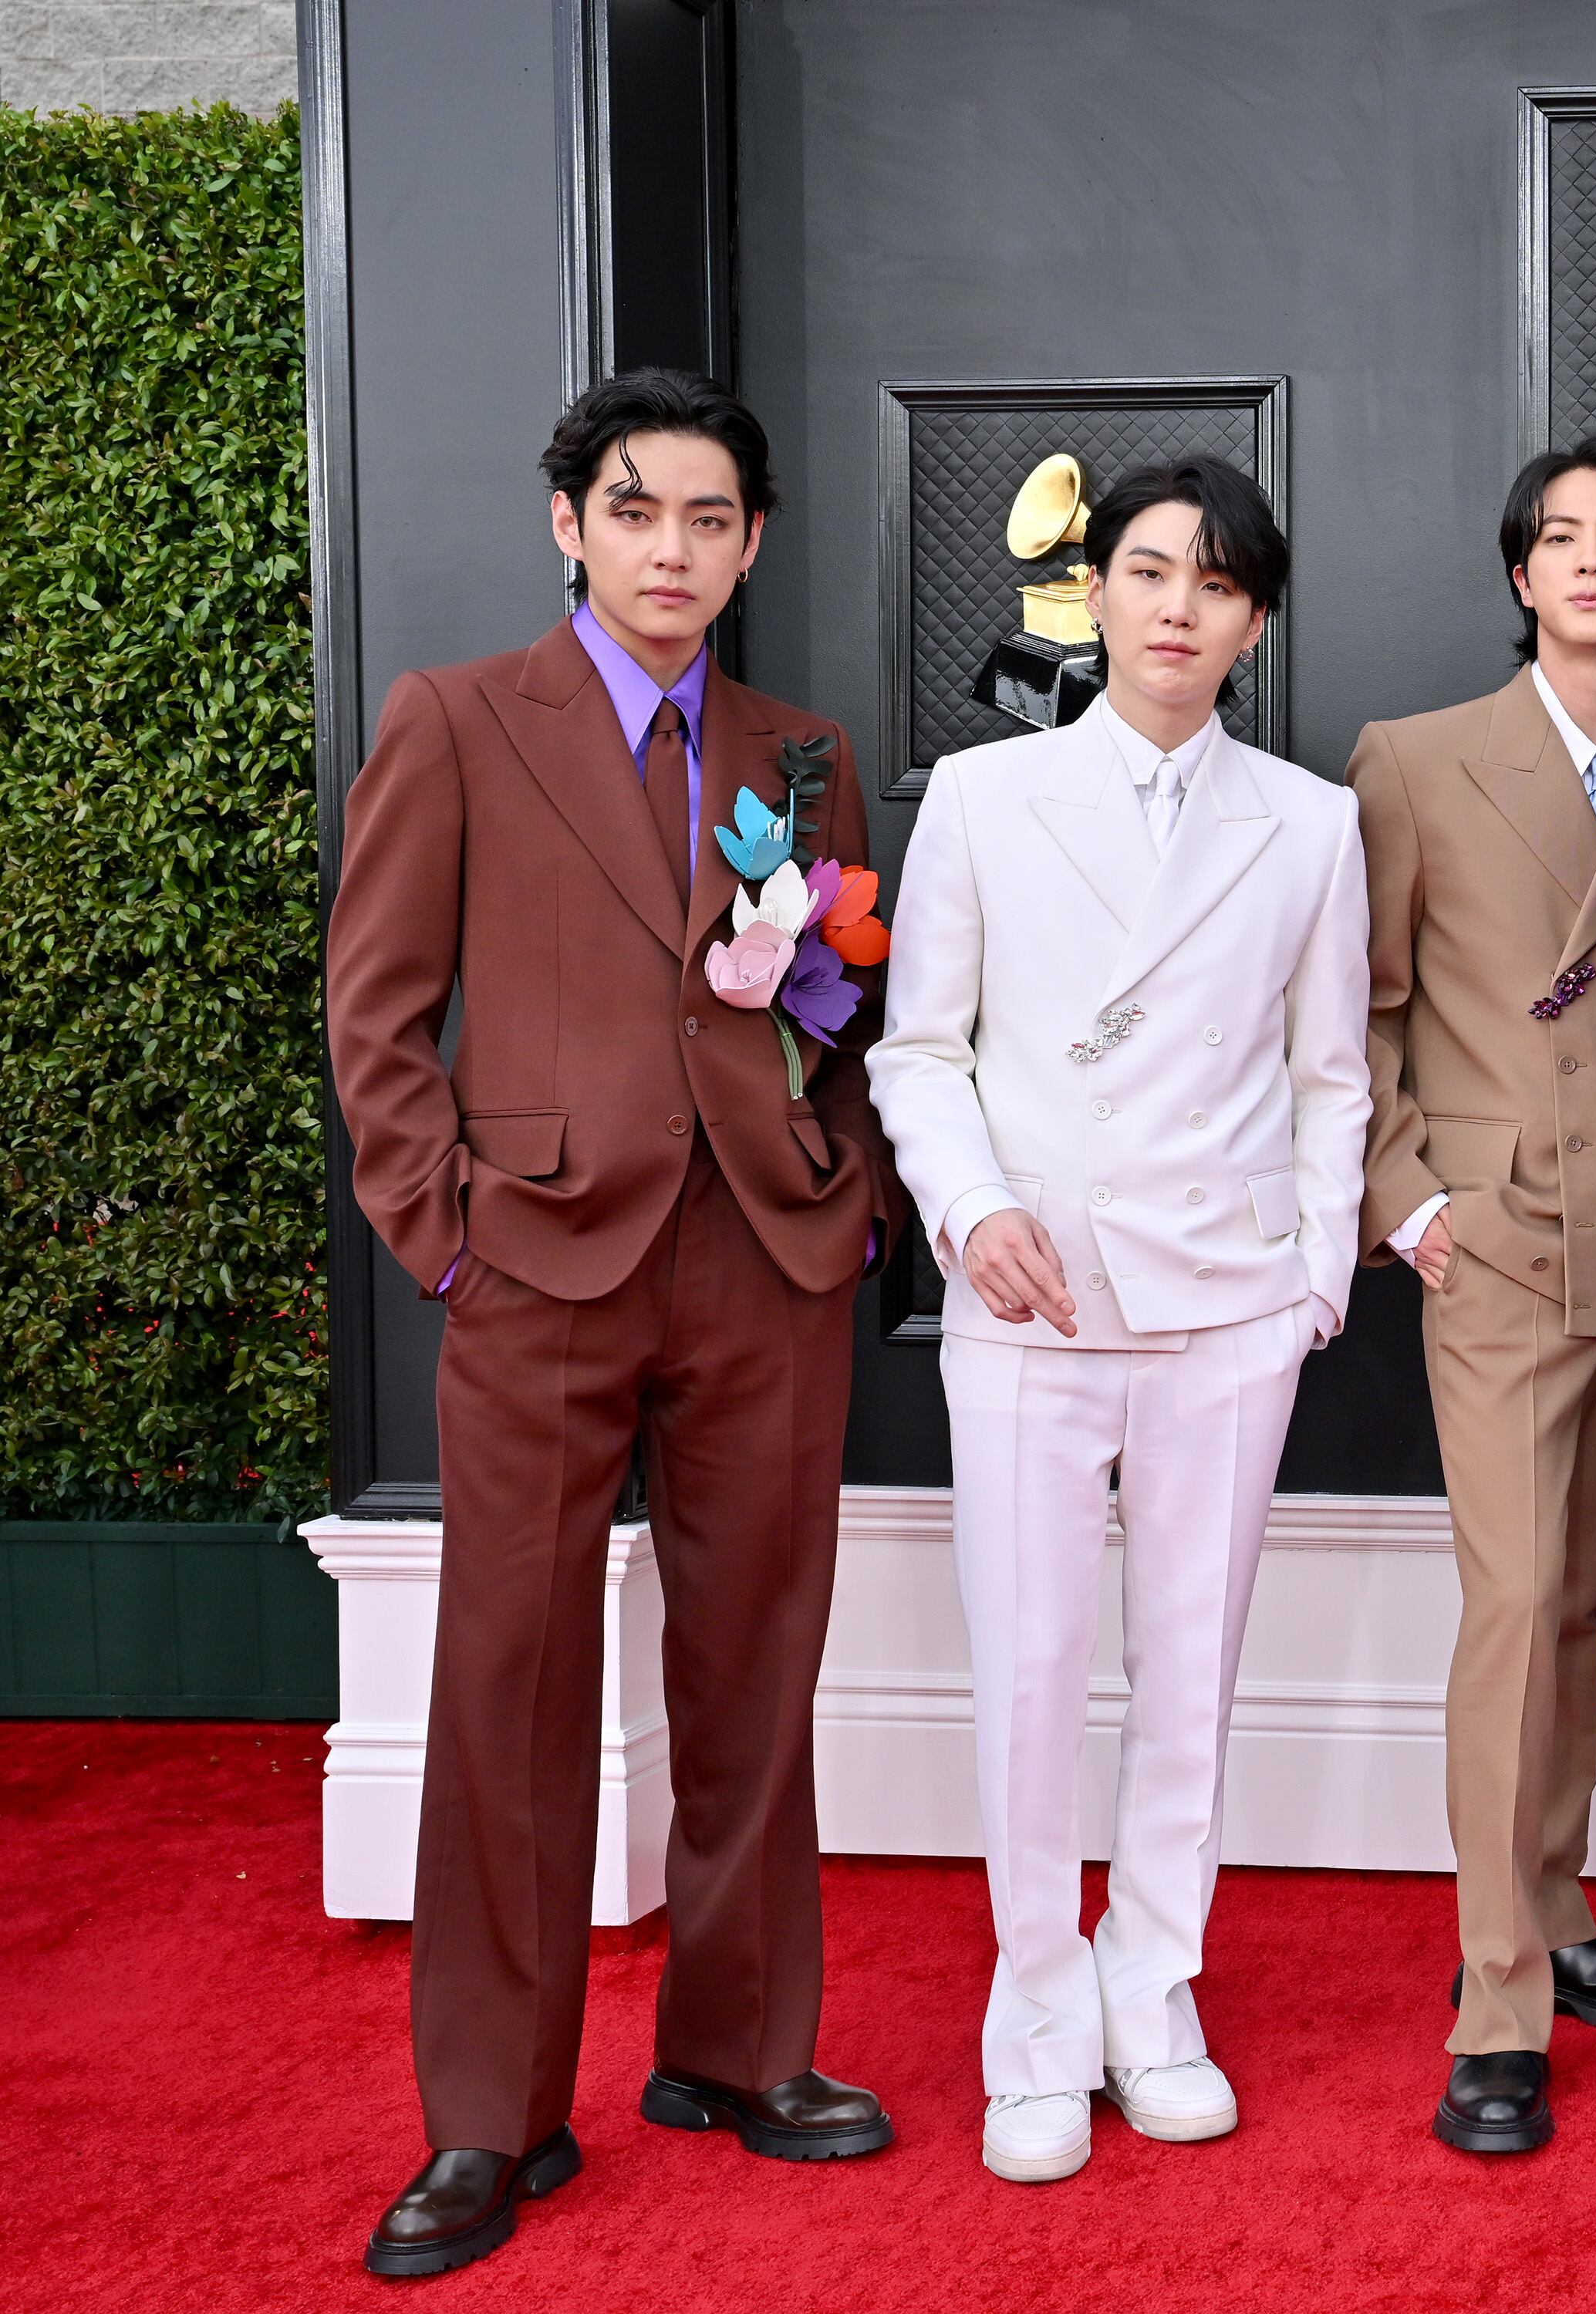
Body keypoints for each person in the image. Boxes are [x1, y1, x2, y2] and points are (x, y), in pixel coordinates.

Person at [326, 368, 905, 2277]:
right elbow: (380, 1013)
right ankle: (491, 2120)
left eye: (714, 519)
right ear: (569, 522)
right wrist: (448, 1241)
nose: (677, 549)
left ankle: (736, 2055)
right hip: (538, 1267)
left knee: (754, 1672)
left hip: (764, 1264)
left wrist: (840, 1186)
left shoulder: (798, 751)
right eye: (640, 511)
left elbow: (835, 1002)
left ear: (748, 545)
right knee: (507, 1689)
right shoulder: (457, 721)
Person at [865, 457, 1367, 2186]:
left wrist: (1311, 1281)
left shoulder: (1309, 822)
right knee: (1026, 1674)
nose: (1175, 607)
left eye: (1214, 583)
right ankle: (1034, 2020)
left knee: (1190, 1681)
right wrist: (974, 1210)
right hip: (1032, 1294)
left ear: (1252, 617)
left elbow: (1332, 1077)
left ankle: (1155, 1994)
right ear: (1093, 591)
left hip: (1227, 1306)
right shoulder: (989, 800)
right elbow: (918, 1048)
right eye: (1146, 571)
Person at [1347, 435, 1596, 2154]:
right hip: (1501, 1243)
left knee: (1576, 1604)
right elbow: (1359, 1010)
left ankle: (1555, 1909)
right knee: (1510, 1606)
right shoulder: (1416, 762)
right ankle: (1499, 2003)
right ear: (1516, 574)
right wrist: (1407, 1201)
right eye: (1558, 539)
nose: (1588, 563)